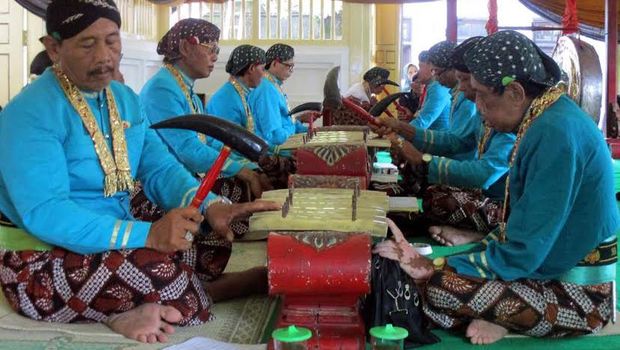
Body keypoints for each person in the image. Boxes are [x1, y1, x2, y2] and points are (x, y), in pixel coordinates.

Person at [0, 0, 278, 343]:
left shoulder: (124, 99)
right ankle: (169, 298)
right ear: (54, 48)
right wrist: (146, 236)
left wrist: (211, 206)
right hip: (43, 256)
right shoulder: (29, 113)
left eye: (112, 41)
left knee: (207, 237)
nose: (104, 56)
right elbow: (46, 213)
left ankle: (145, 297)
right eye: (88, 44)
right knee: (167, 277)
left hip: (112, 240)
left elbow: (160, 167)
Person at [374, 30, 618, 345]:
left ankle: (502, 316)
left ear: (515, 93)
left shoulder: (556, 133)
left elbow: (522, 253)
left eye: (479, 94)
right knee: (432, 284)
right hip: (542, 273)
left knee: (436, 288)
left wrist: (436, 264)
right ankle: (495, 312)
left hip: (579, 298)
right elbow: (522, 234)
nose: (476, 107)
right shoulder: (545, 120)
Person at [139, 19, 267, 233]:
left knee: (251, 178)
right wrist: (241, 170)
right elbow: (189, 151)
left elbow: (210, 142)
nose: (215, 56)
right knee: (236, 187)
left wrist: (247, 166)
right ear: (186, 47)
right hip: (164, 185)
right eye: (211, 48)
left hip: (187, 174)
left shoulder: (186, 89)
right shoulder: (162, 89)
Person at [249, 43, 309, 147]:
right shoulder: (266, 89)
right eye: (288, 66)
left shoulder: (273, 84)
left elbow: (286, 121)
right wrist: (296, 133)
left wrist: (308, 131)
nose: (291, 70)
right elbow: (274, 135)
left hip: (284, 140)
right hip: (274, 149)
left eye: (293, 66)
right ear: (275, 63)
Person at [408, 47, 452, 131]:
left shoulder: (438, 88)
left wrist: (398, 133)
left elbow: (423, 122)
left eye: (420, 66)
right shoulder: (432, 87)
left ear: (431, 67)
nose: (418, 72)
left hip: (439, 141)